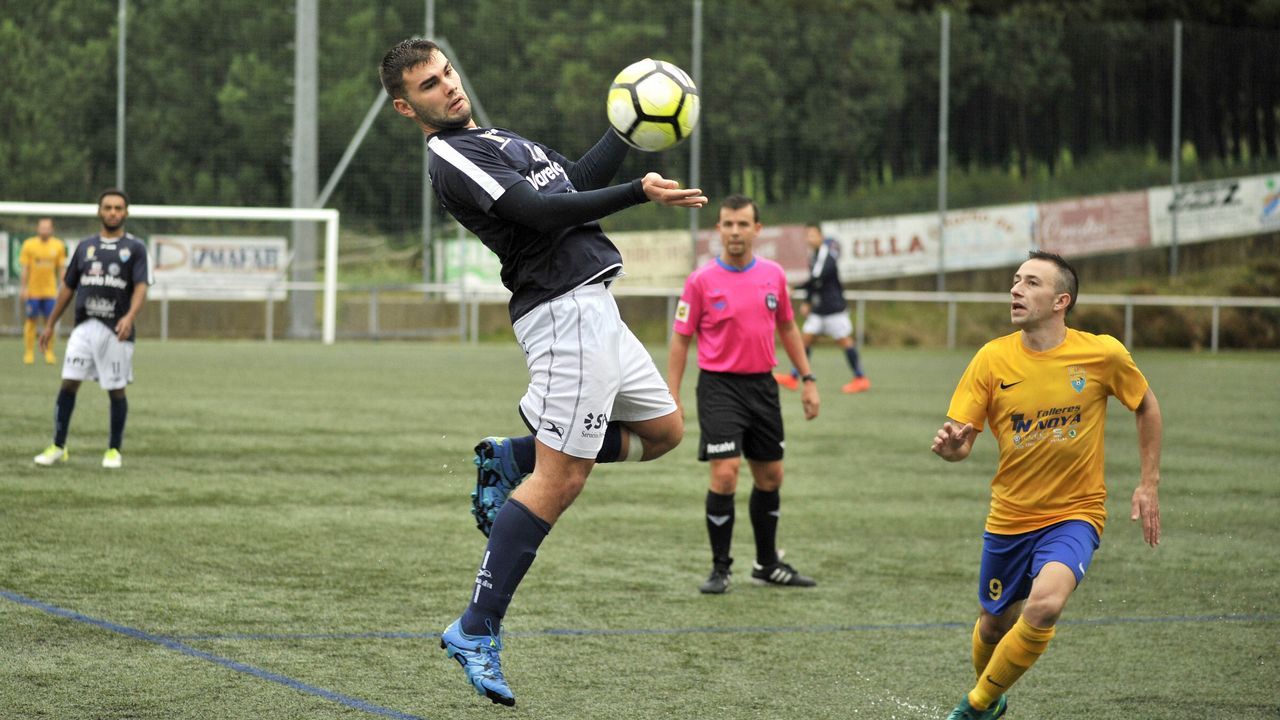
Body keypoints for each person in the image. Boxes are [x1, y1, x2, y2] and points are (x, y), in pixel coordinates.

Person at [379, 38, 706, 706]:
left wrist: (625, 131)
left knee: (667, 430)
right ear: (406, 106)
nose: (448, 86)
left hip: (595, 306)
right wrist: (637, 195)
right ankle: (476, 626)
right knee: (563, 479)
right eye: (429, 85)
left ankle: (514, 455)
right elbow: (534, 214)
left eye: (447, 71)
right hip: (562, 314)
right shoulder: (450, 155)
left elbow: (573, 183)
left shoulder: (496, 136)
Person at [930, 250, 1162, 720]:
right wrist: (951, 447)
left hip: (1076, 513)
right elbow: (962, 443)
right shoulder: (991, 359)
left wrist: (1148, 483)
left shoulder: (1102, 354)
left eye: (1030, 283)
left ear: (1061, 301)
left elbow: (1146, 406)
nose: (1016, 289)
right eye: (1015, 280)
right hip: (1010, 516)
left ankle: (973, 708)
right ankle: (991, 697)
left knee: (1045, 606)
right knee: (994, 624)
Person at [667, 194, 821, 595]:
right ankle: (721, 568)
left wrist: (807, 379)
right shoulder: (700, 281)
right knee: (725, 473)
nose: (735, 232)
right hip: (719, 387)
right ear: (718, 230)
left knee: (771, 476)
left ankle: (767, 564)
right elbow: (681, 340)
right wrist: (673, 395)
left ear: (757, 229)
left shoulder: (773, 275)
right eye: (728, 224)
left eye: (742, 224)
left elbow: (788, 327)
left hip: (763, 387)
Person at [34, 190, 150, 470]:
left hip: (116, 331)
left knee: (115, 389)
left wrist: (130, 316)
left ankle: (113, 450)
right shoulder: (85, 246)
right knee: (69, 382)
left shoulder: (135, 249)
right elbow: (68, 287)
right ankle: (58, 446)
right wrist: (50, 324)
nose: (112, 212)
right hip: (84, 328)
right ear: (99, 211)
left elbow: (141, 287)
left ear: (126, 213)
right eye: (108, 207)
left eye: (118, 208)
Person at [774, 222, 869, 394]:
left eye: (813, 235)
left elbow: (817, 279)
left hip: (833, 309)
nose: (810, 238)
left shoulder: (828, 255)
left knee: (845, 341)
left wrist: (795, 288)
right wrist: (808, 301)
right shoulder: (815, 256)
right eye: (808, 235)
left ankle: (860, 378)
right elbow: (816, 283)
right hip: (819, 310)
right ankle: (794, 377)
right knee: (804, 341)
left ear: (821, 237)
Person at [18, 218, 67, 365]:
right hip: (33, 292)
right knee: (31, 321)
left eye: (47, 228)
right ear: (38, 229)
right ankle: (29, 352)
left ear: (51, 229)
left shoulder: (58, 245)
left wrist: (63, 287)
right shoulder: (29, 245)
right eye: (42, 228)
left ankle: (49, 352)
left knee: (49, 323)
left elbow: (61, 269)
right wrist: (23, 287)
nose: (44, 230)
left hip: (51, 292)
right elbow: (25, 269)